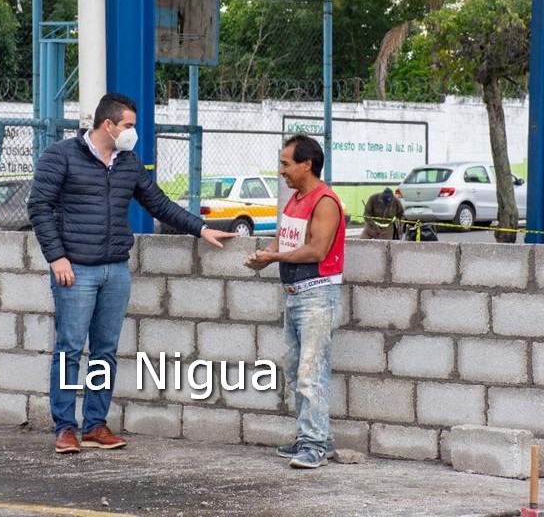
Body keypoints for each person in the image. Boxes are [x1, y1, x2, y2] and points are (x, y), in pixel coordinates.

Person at [28, 92, 236, 454]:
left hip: (115, 271)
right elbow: (39, 207)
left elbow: (159, 203)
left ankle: (94, 425)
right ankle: (65, 427)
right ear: (108, 125)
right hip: (74, 270)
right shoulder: (60, 156)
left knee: (105, 351)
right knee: (70, 350)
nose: (132, 133)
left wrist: (201, 228)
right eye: (128, 126)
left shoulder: (128, 163)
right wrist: (56, 257)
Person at [244, 134, 345, 469]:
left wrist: (274, 257)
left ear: (307, 164)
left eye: (287, 163)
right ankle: (313, 439)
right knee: (295, 370)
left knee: (310, 372)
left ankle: (314, 445)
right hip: (296, 296)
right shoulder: (295, 199)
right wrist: (268, 256)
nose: (282, 170)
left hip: (317, 295)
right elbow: (283, 239)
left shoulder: (324, 201)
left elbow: (317, 250)